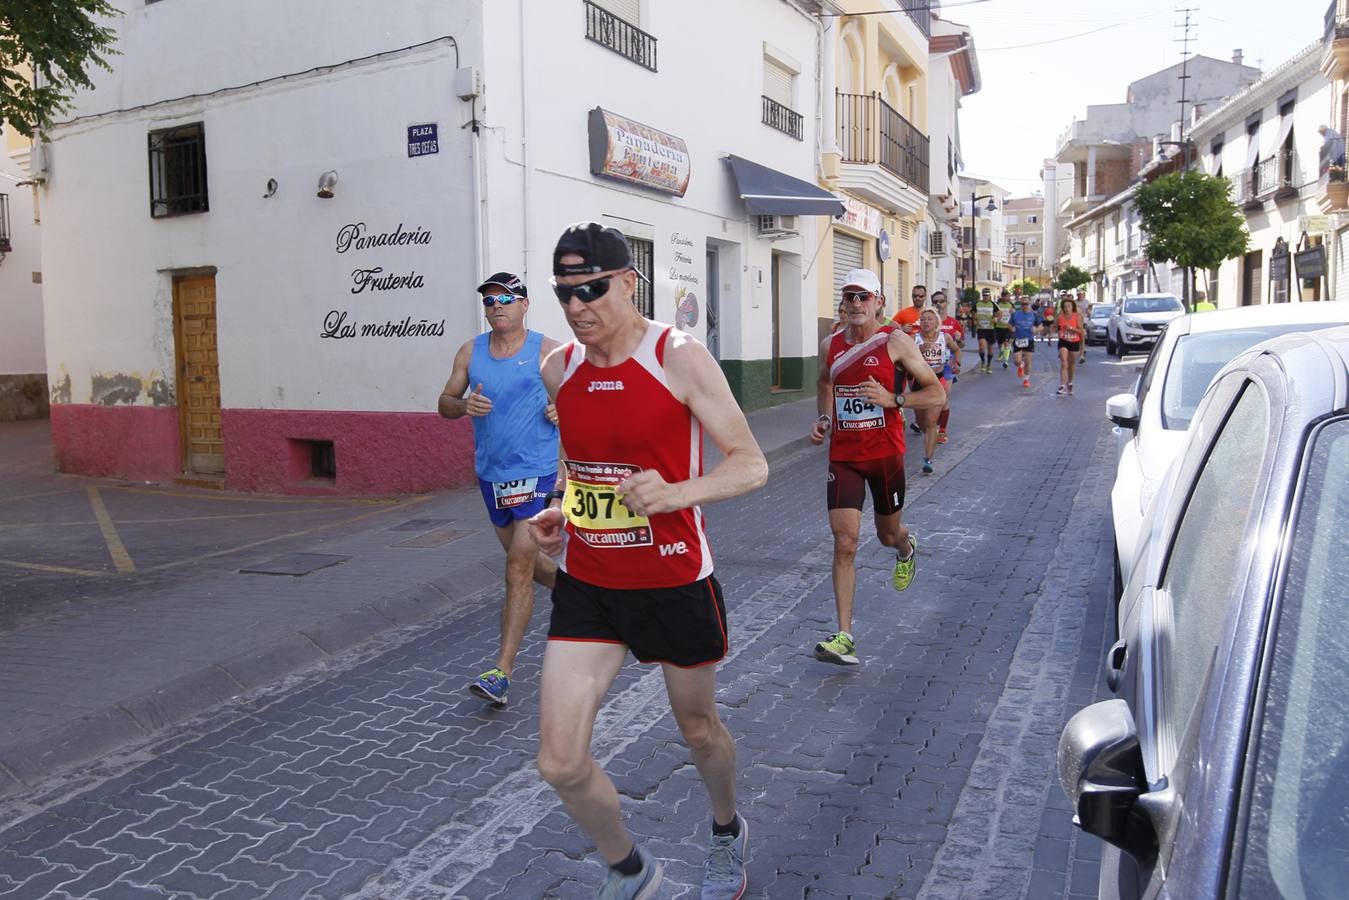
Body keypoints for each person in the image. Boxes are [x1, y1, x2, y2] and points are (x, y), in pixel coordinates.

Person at [528, 222, 768, 899]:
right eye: (564, 295)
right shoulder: (560, 369)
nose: (576, 308)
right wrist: (559, 505)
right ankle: (630, 870)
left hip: (671, 581)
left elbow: (751, 466)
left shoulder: (678, 356)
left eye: (590, 290)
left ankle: (726, 828)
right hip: (590, 583)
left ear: (628, 283)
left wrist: (677, 493)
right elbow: (580, 463)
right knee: (558, 760)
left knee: (697, 729)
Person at [809, 269, 946, 666]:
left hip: (885, 456)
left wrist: (894, 400)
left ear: (878, 302)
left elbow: (934, 391)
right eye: (849, 296)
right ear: (841, 303)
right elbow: (823, 384)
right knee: (845, 541)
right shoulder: (829, 346)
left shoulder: (896, 342)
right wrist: (824, 419)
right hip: (845, 457)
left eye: (863, 297)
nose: (855, 304)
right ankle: (845, 636)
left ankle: (906, 546)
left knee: (886, 535)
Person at [439, 272, 560, 708]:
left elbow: (582, 401)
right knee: (530, 565)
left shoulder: (546, 350)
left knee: (516, 569)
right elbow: (444, 403)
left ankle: (501, 672)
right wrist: (461, 404)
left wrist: (561, 409)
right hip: (492, 476)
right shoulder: (470, 351)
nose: (496, 306)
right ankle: (585, 599)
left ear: (525, 304)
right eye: (489, 300)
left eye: (505, 298)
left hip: (538, 473)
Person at [912, 307, 961, 474]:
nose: (926, 322)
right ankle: (930, 436)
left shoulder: (944, 337)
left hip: (938, 379)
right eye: (923, 319)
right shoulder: (914, 339)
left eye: (930, 319)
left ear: (936, 323)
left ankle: (928, 459)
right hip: (919, 382)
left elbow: (956, 350)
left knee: (931, 422)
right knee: (921, 422)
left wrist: (956, 363)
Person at [933, 290, 963, 443]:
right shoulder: (927, 321)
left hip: (947, 366)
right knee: (933, 399)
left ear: (946, 303)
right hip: (930, 366)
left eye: (941, 301)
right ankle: (932, 424)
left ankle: (941, 430)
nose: (939, 304)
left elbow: (961, 345)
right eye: (936, 301)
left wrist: (958, 339)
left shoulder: (954, 323)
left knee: (943, 397)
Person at [1056, 296, 1085, 396]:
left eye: (1069, 306)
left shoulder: (1077, 316)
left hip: (1074, 341)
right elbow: (1055, 327)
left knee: (1072, 364)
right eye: (1065, 306)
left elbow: (1081, 331)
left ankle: (1070, 382)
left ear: (1072, 307)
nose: (1067, 308)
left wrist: (1072, 329)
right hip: (1063, 341)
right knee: (1064, 362)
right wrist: (1051, 332)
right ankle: (1062, 385)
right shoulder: (1060, 317)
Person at [1008, 295, 1038, 388]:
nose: (1025, 305)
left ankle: (1026, 379)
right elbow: (1009, 324)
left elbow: (1041, 325)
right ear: (1020, 305)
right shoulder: (1015, 314)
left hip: (1029, 339)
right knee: (1017, 361)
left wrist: (1036, 329)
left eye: (1026, 304)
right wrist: (1012, 328)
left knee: (1028, 361)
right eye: (1023, 304)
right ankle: (1020, 365)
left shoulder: (1033, 315)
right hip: (1018, 339)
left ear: (1029, 304)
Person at [974, 288, 997, 373]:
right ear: (982, 295)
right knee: (982, 346)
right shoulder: (977, 304)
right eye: (984, 295)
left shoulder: (993, 304)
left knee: (990, 349)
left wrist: (996, 318)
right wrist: (975, 320)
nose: (986, 297)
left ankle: (989, 364)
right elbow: (973, 312)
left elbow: (1000, 313)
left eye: (987, 295)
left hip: (990, 329)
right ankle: (983, 362)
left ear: (990, 295)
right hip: (981, 329)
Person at [993, 289, 1013, 368]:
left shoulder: (1011, 304)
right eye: (1004, 296)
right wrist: (995, 318)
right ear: (1002, 297)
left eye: (1007, 296)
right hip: (998, 327)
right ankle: (1001, 351)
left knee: (1006, 343)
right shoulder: (997, 304)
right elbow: (994, 314)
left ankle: (1005, 361)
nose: (1006, 298)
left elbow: (1013, 314)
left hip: (1007, 327)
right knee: (1000, 344)